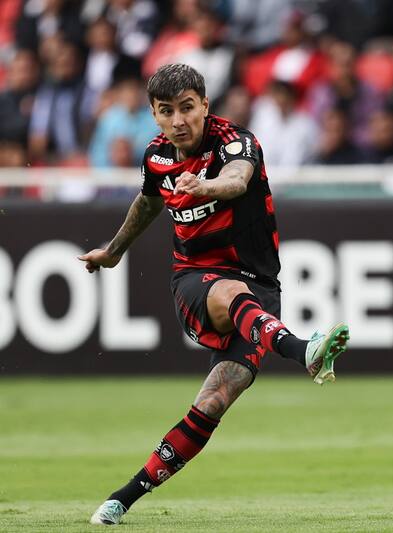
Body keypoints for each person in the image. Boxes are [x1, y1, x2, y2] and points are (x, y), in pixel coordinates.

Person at [80, 64, 350, 526]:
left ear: (205, 105)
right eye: (166, 111)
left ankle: (122, 498)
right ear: (154, 114)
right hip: (196, 280)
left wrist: (206, 185)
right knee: (228, 291)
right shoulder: (156, 157)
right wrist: (114, 251)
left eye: (187, 108)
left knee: (214, 400)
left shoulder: (236, 143)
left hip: (260, 291)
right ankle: (303, 350)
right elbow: (148, 201)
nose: (178, 120)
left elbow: (237, 180)